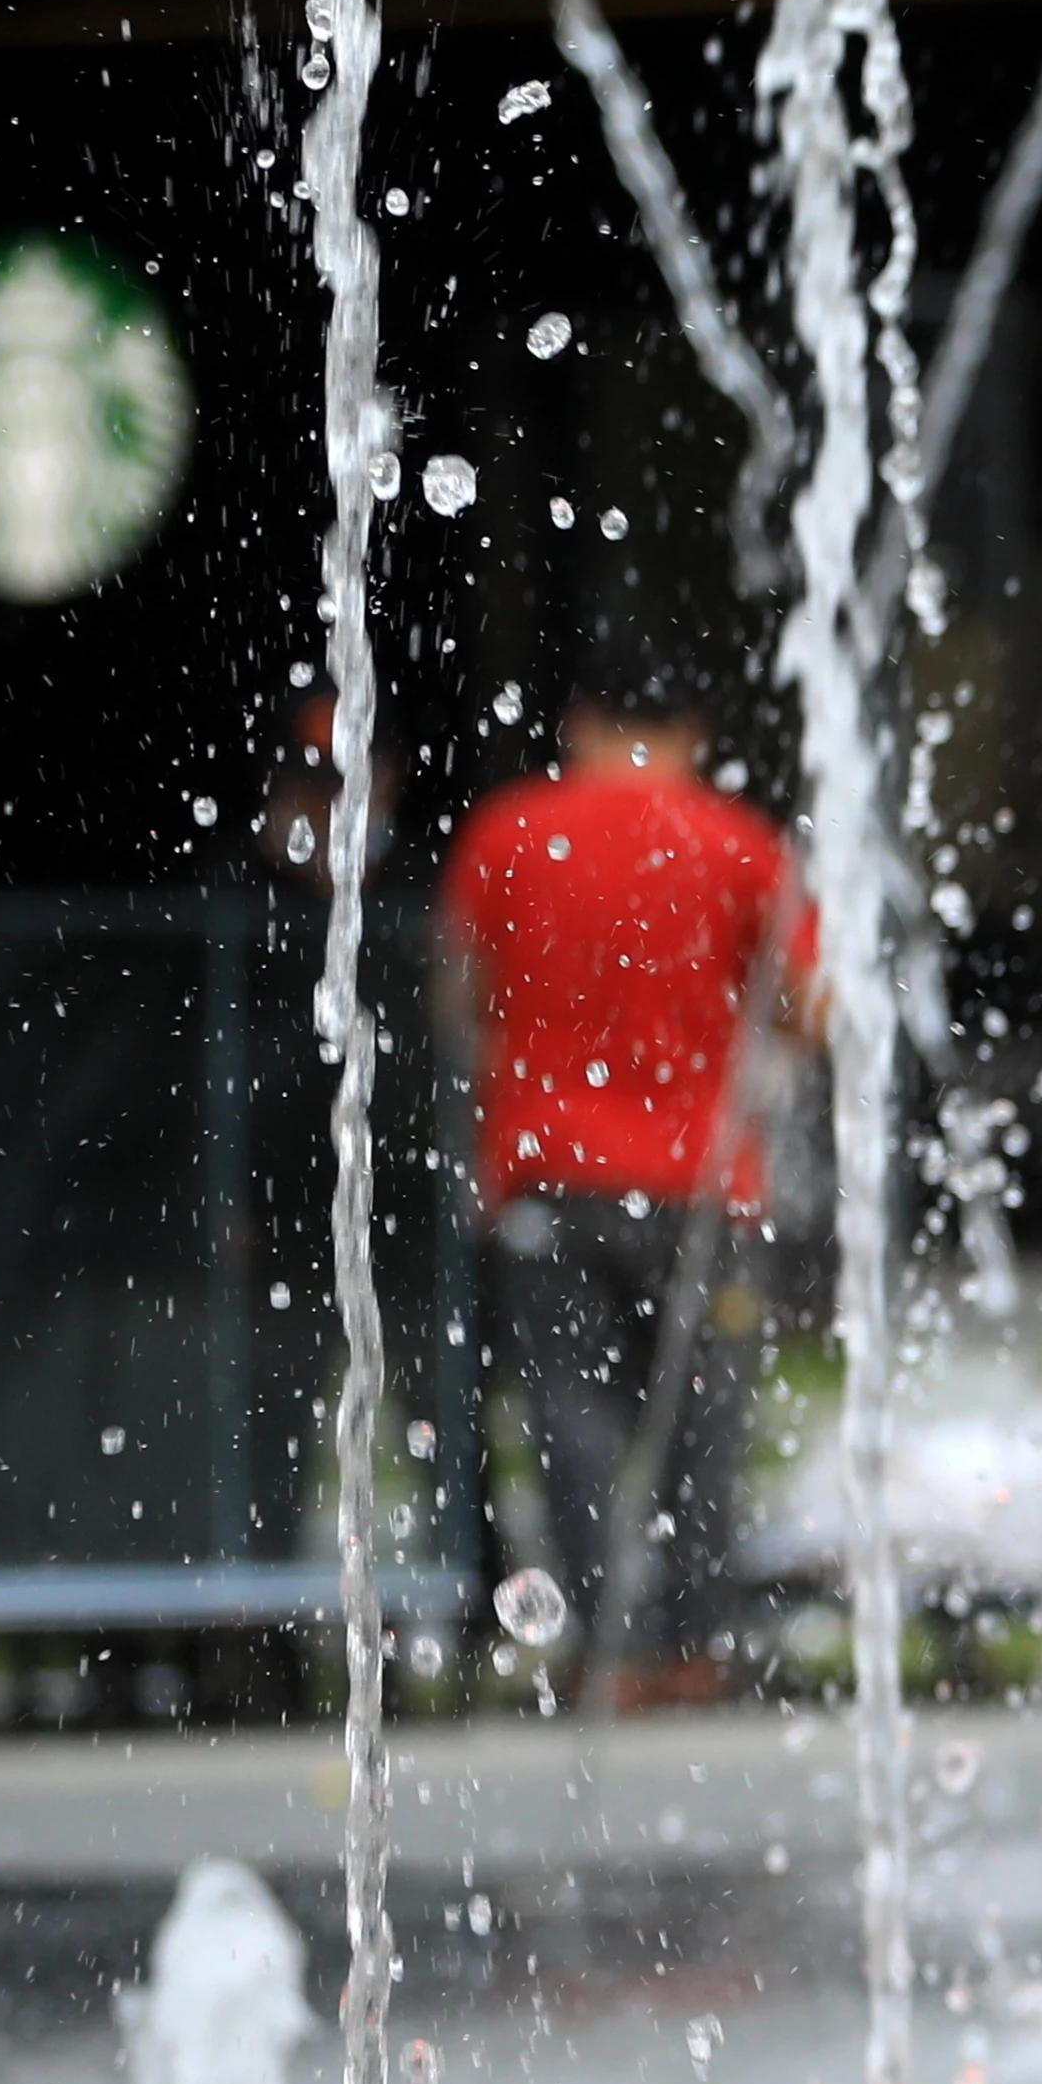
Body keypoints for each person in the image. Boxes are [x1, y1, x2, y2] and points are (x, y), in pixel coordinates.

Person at [437, 638, 797, 1703]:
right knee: (705, 1417)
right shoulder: (740, 845)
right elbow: (802, 1007)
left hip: (550, 1171)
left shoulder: (506, 835)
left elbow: (459, 995)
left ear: (579, 724)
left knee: (571, 1415)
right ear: (696, 736)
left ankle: (611, 1647)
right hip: (705, 1182)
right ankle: (696, 1644)